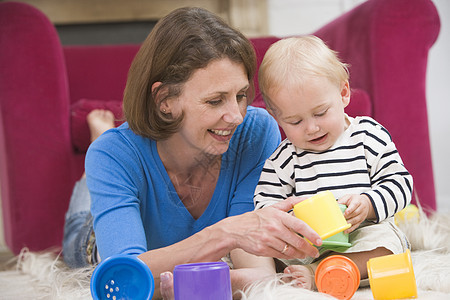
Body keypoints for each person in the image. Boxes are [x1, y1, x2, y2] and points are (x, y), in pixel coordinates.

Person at [62, 7, 324, 299]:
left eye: (240, 96)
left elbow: (259, 274)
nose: (236, 116)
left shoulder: (255, 132)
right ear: (165, 101)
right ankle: (97, 145)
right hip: (91, 236)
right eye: (215, 101)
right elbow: (122, 279)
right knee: (84, 222)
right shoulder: (112, 156)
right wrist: (224, 233)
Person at [252, 35, 413, 289]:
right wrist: (291, 220)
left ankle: (321, 272)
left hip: (363, 234)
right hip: (310, 244)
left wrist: (369, 204)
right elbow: (264, 206)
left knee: (388, 247)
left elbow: (400, 183)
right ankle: (317, 269)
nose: (312, 128)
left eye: (320, 112)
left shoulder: (368, 135)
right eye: (295, 121)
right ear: (276, 117)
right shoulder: (283, 159)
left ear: (343, 93)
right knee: (259, 249)